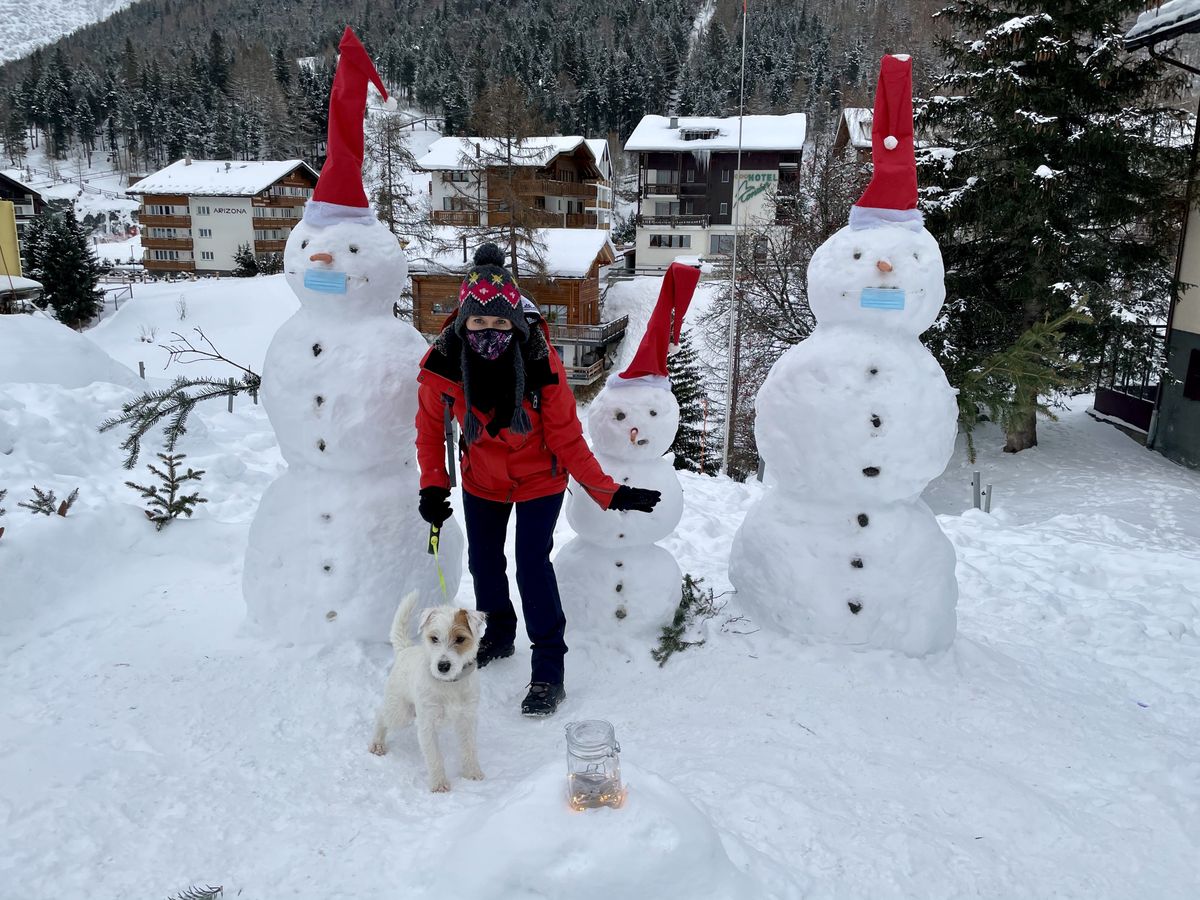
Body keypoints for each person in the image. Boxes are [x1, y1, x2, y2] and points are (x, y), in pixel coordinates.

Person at [415, 243, 661, 717]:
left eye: (501, 322)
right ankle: (500, 636)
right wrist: (432, 486)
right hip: (481, 478)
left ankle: (549, 669)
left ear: (516, 323)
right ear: (463, 321)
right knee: (485, 565)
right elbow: (429, 430)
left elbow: (569, 439)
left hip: (540, 480)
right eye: (480, 323)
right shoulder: (445, 364)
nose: (490, 332)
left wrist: (610, 492)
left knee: (531, 566)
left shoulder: (540, 362)